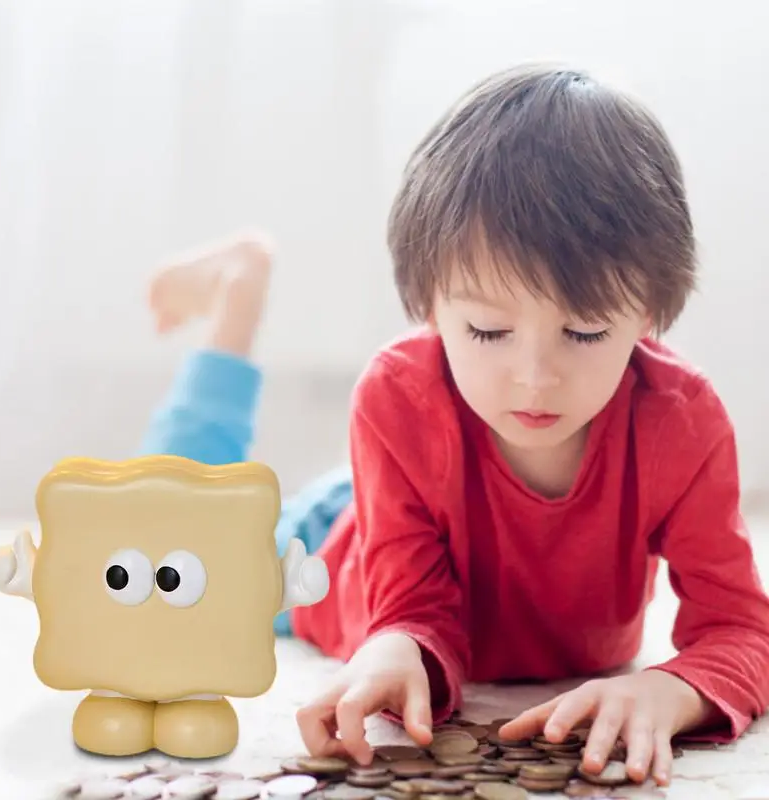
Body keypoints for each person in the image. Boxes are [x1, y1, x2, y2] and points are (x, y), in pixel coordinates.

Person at [139, 64, 769, 788]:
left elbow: (742, 628)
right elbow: (408, 606)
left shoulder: (681, 423)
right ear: (429, 309)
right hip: (338, 542)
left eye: (588, 333)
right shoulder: (397, 395)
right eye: (489, 330)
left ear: (650, 316)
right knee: (174, 539)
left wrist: (673, 689)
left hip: (421, 488)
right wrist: (393, 647)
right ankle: (236, 292)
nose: (535, 377)